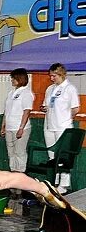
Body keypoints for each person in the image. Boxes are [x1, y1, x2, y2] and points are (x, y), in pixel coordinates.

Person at [40, 63, 80, 194]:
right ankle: (55, 182)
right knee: (52, 156)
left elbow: (75, 109)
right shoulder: (50, 89)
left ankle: (64, 185)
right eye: (50, 76)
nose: (52, 78)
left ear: (62, 74)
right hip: (49, 126)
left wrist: (65, 119)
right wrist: (44, 108)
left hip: (63, 127)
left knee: (63, 157)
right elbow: (46, 105)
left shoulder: (70, 88)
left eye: (54, 76)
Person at [0, 68, 34, 174]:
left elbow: (26, 111)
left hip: (19, 128)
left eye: (13, 78)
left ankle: (21, 174)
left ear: (20, 79)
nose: (12, 80)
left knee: (20, 152)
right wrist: (3, 127)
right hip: (9, 127)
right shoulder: (11, 93)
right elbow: (7, 112)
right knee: (11, 153)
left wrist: (21, 128)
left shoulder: (27, 93)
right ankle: (13, 173)